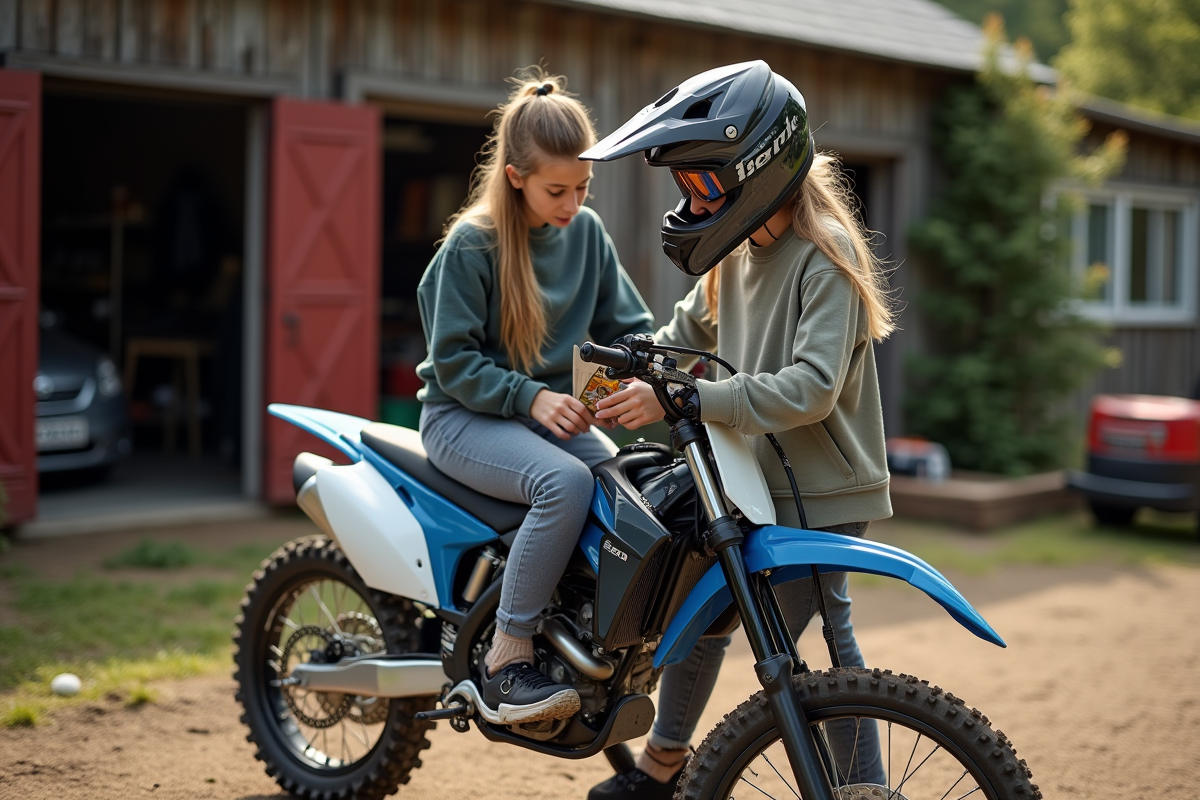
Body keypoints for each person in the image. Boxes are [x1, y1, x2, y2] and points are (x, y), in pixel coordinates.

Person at [582, 61, 895, 797]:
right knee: (706, 617)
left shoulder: (825, 259)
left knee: (818, 639)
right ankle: (662, 768)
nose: (693, 202)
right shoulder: (735, 254)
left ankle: (865, 790)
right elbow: (680, 332)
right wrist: (629, 374)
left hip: (825, 488)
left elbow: (811, 390)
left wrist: (687, 401)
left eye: (702, 183)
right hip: (757, 481)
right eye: (685, 187)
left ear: (758, 168)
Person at [416, 70, 653, 725]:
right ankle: (507, 654)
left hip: (545, 416)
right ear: (517, 177)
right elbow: (454, 364)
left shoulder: (587, 235)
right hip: (461, 416)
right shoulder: (472, 245)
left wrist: (643, 366)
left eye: (583, 187)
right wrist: (531, 398)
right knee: (565, 485)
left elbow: (628, 326)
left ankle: (581, 637)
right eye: (558, 189)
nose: (573, 203)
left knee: (628, 488)